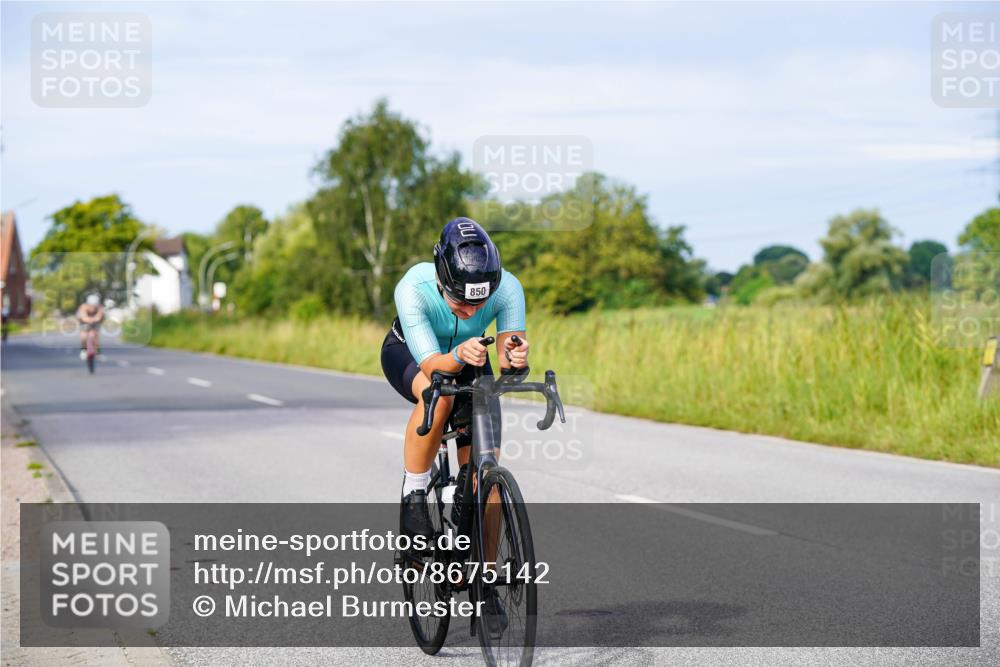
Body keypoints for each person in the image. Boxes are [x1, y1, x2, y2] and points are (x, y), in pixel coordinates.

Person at [382, 218, 528, 629]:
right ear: (441, 280)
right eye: (459, 303)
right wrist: (461, 356)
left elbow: (506, 353)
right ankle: (414, 494)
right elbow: (436, 366)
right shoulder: (413, 288)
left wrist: (516, 358)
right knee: (438, 396)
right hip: (412, 357)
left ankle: (484, 582)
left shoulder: (508, 288)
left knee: (485, 473)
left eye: (479, 305)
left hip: (472, 361)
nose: (470, 311)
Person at [76, 294, 105, 359]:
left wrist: (96, 319)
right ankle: (83, 350)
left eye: (94, 306)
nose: (92, 307)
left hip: (95, 321)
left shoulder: (100, 307)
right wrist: (89, 320)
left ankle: (97, 351)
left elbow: (99, 316)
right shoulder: (83, 307)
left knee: (96, 334)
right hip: (84, 321)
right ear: (88, 304)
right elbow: (83, 317)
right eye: (91, 305)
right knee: (83, 335)